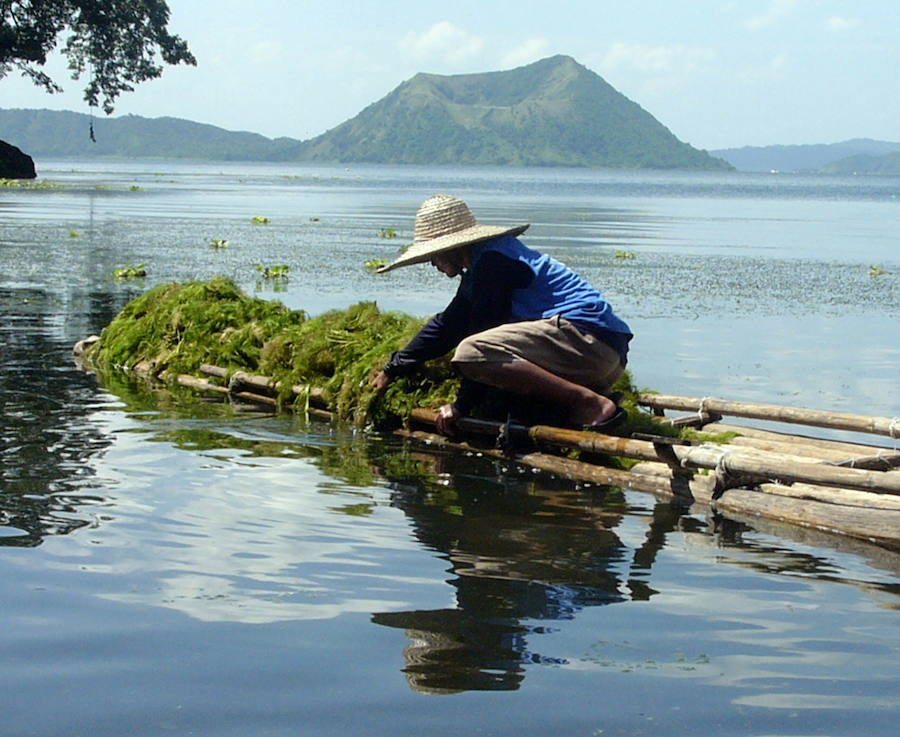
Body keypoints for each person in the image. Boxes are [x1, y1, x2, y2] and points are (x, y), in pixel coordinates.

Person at [371, 194, 633, 436]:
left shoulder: (493, 264)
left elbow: (481, 336)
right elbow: (448, 324)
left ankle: (589, 403)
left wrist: (461, 405)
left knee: (471, 351)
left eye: (434, 255)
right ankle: (592, 395)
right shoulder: (486, 260)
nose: (432, 263)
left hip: (586, 344)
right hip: (604, 358)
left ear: (452, 247)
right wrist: (393, 368)